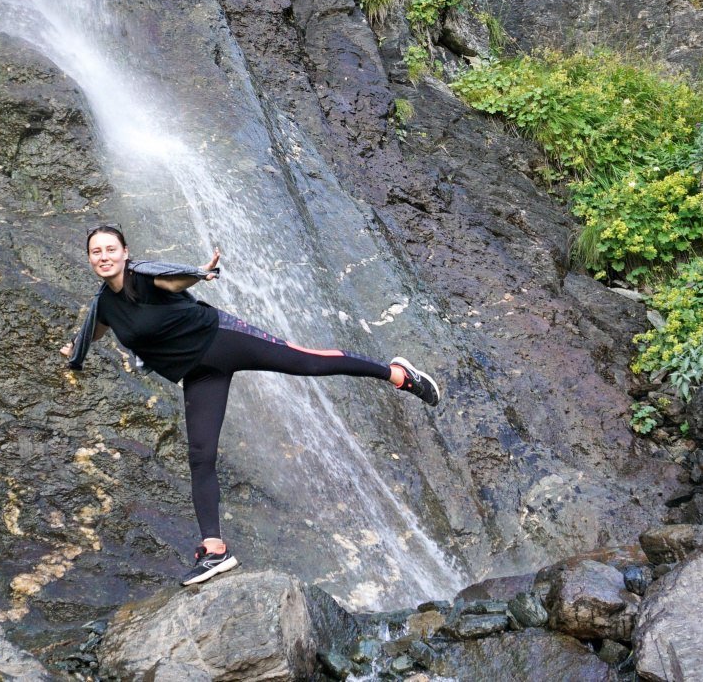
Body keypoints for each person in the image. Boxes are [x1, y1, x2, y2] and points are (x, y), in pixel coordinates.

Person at [61, 224, 443, 587]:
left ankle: (397, 374)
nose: (104, 256)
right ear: (90, 259)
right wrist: (75, 348)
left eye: (111, 249)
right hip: (199, 374)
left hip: (223, 340)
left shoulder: (144, 277)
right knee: (200, 455)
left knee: (308, 362)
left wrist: (199, 273)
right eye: (97, 252)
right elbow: (95, 330)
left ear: (126, 253)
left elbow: (173, 280)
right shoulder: (104, 307)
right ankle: (214, 549)